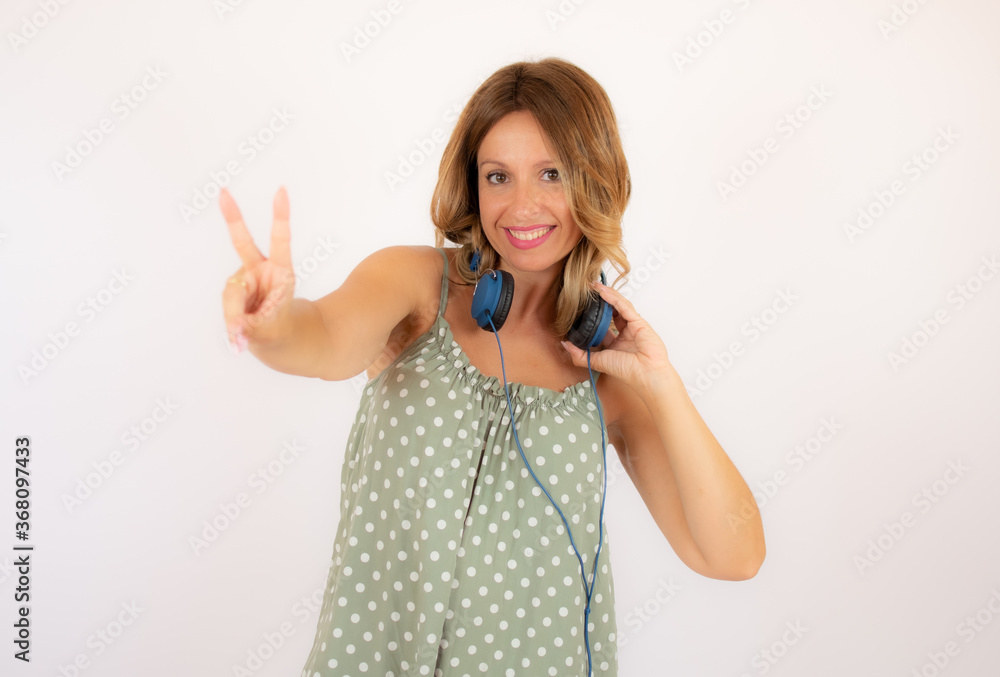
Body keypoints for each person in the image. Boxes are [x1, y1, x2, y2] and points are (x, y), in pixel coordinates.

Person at [220, 57, 765, 677]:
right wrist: (273, 323)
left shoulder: (611, 374)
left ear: (596, 180)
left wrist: (662, 384)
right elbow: (323, 342)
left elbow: (734, 556)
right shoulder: (415, 286)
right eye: (498, 176)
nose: (522, 206)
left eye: (552, 173)